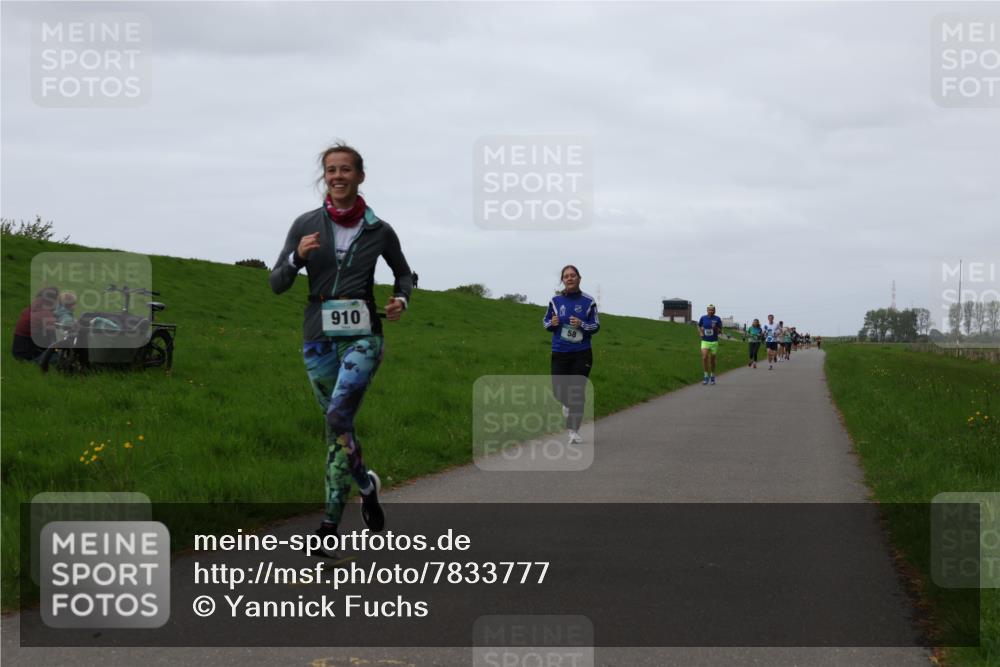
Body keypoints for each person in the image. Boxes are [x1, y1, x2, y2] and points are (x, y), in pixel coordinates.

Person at [270, 142, 413, 548]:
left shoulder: (379, 230)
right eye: (331, 170)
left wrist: (401, 299)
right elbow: (276, 283)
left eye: (345, 169)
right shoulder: (306, 224)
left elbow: (404, 274)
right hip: (317, 337)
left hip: (363, 337)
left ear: (360, 176)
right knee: (338, 428)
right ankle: (366, 486)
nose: (337, 176)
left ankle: (329, 526)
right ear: (325, 176)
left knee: (336, 418)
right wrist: (297, 258)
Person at [543, 265, 599, 444]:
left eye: (573, 275)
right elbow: (546, 322)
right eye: (566, 276)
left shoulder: (588, 301)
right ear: (563, 280)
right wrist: (552, 323)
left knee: (577, 391)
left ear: (579, 278)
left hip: (582, 353)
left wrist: (582, 324)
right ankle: (566, 405)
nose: (569, 278)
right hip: (560, 351)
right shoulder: (555, 301)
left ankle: (573, 431)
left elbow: (596, 325)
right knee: (558, 391)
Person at [12, 287, 59, 361]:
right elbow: (52, 338)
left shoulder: (31, 308)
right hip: (29, 354)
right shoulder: (45, 313)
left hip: (18, 351)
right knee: (60, 356)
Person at [697, 304, 723, 385]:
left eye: (712, 310)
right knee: (704, 357)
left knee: (712, 360)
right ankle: (705, 376)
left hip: (714, 342)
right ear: (707, 310)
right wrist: (700, 332)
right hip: (705, 341)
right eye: (709, 310)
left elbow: (720, 331)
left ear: (714, 311)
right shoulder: (703, 318)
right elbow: (698, 325)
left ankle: (712, 375)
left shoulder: (717, 319)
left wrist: (715, 328)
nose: (711, 311)